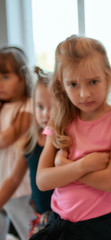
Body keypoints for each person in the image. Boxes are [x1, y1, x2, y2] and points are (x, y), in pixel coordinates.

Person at [31, 35, 111, 240]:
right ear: (62, 85)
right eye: (73, 84)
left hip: (107, 227)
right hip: (62, 225)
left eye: (93, 82)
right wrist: (82, 166)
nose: (84, 94)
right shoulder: (60, 120)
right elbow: (43, 180)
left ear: (108, 77)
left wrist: (63, 165)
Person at [0, 67, 54, 238]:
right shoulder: (30, 141)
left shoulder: (65, 142)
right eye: (40, 107)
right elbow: (14, 179)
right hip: (40, 217)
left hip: (65, 220)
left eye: (53, 107)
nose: (45, 114)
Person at [0, 46, 35, 240]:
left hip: (18, 182)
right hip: (2, 177)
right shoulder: (3, 106)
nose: (0, 83)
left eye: (5, 77)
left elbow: (6, 138)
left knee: (27, 227)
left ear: (22, 78)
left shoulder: (27, 106)